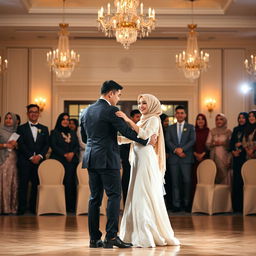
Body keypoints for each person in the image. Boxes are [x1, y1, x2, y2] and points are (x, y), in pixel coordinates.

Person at [80, 80, 155, 249]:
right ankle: (111, 237)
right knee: (114, 196)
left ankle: (94, 239)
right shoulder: (111, 110)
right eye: (118, 95)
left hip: (91, 158)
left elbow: (85, 139)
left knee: (94, 199)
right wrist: (146, 140)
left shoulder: (85, 111)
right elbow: (126, 131)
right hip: (107, 159)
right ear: (110, 94)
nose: (118, 99)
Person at [116, 94, 180, 247]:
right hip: (138, 159)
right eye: (139, 103)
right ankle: (133, 232)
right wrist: (117, 139)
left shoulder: (153, 119)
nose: (141, 106)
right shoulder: (143, 120)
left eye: (144, 103)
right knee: (136, 192)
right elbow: (137, 138)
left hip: (146, 159)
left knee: (142, 193)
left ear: (151, 104)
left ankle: (146, 234)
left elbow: (144, 136)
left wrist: (127, 119)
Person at [17, 104, 49, 215]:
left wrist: (39, 156)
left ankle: (32, 208)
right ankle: (21, 208)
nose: (33, 114)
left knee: (36, 185)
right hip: (25, 161)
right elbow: (21, 145)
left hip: (39, 162)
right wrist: (31, 157)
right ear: (27, 114)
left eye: (36, 112)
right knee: (23, 185)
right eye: (31, 112)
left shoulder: (44, 129)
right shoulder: (20, 128)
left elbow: (46, 145)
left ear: (39, 114)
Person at [165, 106, 196, 212]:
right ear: (175, 114)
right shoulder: (170, 128)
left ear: (185, 114)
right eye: (178, 113)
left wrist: (182, 149)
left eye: (182, 113)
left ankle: (186, 204)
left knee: (187, 182)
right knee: (175, 183)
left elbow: (192, 140)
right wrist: (176, 150)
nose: (180, 115)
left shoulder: (191, 127)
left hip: (186, 159)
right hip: (174, 159)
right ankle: (176, 205)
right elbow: (168, 141)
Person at [50, 113, 79, 212]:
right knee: (61, 183)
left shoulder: (72, 132)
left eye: (67, 119)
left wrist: (72, 153)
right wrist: (65, 154)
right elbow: (54, 145)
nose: (66, 121)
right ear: (59, 120)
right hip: (59, 161)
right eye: (63, 119)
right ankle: (59, 207)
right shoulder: (54, 132)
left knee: (70, 183)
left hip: (72, 162)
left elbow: (76, 145)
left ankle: (70, 206)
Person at [119, 109, 141, 206]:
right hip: (127, 161)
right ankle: (126, 204)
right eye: (137, 117)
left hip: (140, 160)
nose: (139, 118)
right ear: (132, 118)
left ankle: (137, 205)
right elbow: (122, 148)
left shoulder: (142, 130)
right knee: (126, 181)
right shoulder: (126, 130)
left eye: (140, 116)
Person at [0, 112, 18, 214]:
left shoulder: (17, 132)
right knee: (3, 182)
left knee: (12, 182)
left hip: (13, 159)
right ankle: (3, 208)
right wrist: (5, 145)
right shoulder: (0, 130)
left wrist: (16, 145)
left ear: (14, 120)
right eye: (6, 118)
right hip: (3, 159)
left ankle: (11, 207)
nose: (8, 120)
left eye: (11, 118)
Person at [230, 112, 248, 213]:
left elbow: (247, 144)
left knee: (243, 181)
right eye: (239, 118)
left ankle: (244, 206)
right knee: (236, 181)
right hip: (236, 158)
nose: (241, 120)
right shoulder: (236, 129)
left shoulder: (248, 129)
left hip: (244, 158)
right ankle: (236, 206)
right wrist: (233, 151)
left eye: (243, 118)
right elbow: (232, 142)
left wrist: (241, 149)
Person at [206, 113, 232, 184]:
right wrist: (214, 143)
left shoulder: (228, 132)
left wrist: (223, 143)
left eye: (221, 119)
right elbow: (207, 145)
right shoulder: (212, 131)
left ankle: (226, 195)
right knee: (215, 176)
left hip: (225, 158)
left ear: (224, 121)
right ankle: (216, 195)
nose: (219, 121)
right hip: (214, 158)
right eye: (217, 119)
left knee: (225, 177)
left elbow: (231, 146)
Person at [192, 113, 210, 199]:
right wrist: (195, 154)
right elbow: (190, 144)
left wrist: (203, 154)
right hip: (194, 158)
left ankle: (204, 201)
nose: (200, 121)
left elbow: (210, 145)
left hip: (205, 158)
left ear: (205, 121)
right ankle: (195, 202)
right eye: (198, 119)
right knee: (195, 179)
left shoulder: (208, 131)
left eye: (202, 119)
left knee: (205, 179)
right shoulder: (192, 130)